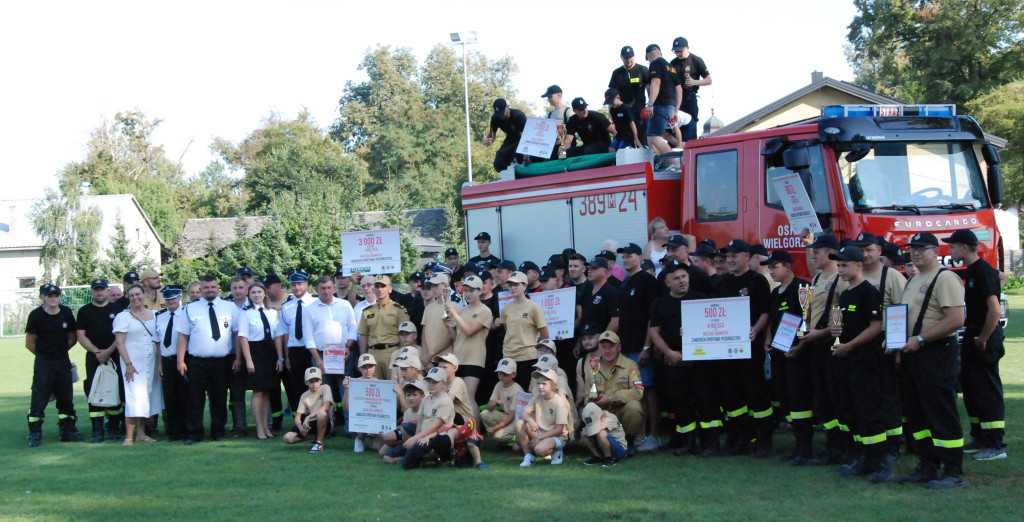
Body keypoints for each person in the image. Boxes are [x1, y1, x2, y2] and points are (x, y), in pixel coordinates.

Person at [895, 232, 967, 490]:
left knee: (940, 412)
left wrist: (921, 339)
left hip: (935, 352)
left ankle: (953, 469)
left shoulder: (945, 277)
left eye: (922, 248)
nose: (916, 252)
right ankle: (928, 465)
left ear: (936, 251)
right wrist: (895, 341)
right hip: (913, 352)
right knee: (917, 413)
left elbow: (956, 320)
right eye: (912, 248)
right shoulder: (914, 279)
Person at [825, 246, 891, 482]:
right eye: (838, 265)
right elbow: (844, 323)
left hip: (865, 361)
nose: (840, 269)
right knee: (851, 410)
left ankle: (880, 463)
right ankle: (861, 458)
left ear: (858, 266)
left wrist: (850, 345)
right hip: (846, 361)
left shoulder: (868, 291)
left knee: (869, 411)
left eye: (844, 265)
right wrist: (837, 331)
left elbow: (876, 326)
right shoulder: (846, 293)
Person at [944, 229, 1007, 461]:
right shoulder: (974, 271)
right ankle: (980, 436)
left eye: (952, 246)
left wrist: (983, 338)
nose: (950, 251)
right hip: (973, 338)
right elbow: (1003, 277)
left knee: (986, 390)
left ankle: (995, 443)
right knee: (972, 389)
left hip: (984, 340)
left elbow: (995, 310)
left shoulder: (982, 271)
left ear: (964, 247)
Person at [716, 239, 772, 457]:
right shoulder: (723, 284)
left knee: (756, 394)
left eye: (734, 256)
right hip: (727, 351)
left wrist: (755, 330)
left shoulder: (758, 281)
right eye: (727, 256)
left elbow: (765, 312)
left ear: (746, 257)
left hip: (751, 349)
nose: (729, 260)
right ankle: (742, 438)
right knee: (733, 395)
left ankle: (764, 440)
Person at [854, 232, 906, 462]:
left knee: (889, 396)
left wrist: (896, 346)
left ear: (879, 251)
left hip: (884, 343)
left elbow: (902, 311)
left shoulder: (892, 276)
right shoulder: (850, 275)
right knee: (865, 397)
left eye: (870, 249)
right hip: (857, 346)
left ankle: (893, 445)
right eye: (861, 249)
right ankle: (869, 444)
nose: (865, 254)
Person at [799, 233, 849, 465]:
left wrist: (825, 331)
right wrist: (807, 327)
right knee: (823, 397)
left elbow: (840, 314)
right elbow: (809, 308)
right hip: (816, 343)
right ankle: (831, 444)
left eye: (816, 252)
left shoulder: (840, 279)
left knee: (836, 395)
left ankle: (842, 446)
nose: (813, 256)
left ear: (830, 252)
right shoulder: (818, 278)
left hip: (831, 344)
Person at [760, 250, 813, 465]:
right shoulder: (775, 293)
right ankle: (796, 446)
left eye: (774, 267)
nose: (770, 271)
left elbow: (807, 318)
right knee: (785, 397)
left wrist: (800, 345)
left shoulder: (802, 288)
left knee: (800, 398)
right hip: (779, 353)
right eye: (769, 267)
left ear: (788, 267)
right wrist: (768, 338)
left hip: (797, 355)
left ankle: (805, 449)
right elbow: (773, 319)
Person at [176, 274, 239, 444]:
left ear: (218, 288)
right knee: (195, 398)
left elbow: (237, 334)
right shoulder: (189, 309)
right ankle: (194, 433)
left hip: (222, 361)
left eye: (213, 287)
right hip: (197, 361)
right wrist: (180, 361)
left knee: (219, 397)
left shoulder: (230, 307)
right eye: (206, 287)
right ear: (201, 289)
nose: (210, 290)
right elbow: (182, 336)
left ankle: (218, 432)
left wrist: (238, 358)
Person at [615, 242, 661, 451]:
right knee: (635, 393)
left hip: (641, 348)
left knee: (648, 390)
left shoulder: (648, 281)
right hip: (626, 348)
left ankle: (654, 436)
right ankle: (640, 435)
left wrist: (647, 347)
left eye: (629, 255)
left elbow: (653, 318)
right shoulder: (625, 283)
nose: (625, 259)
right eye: (623, 256)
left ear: (640, 257)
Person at [25, 284, 83, 447]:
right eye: (49, 295)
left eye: (56, 295)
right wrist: (45, 355)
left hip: (62, 361)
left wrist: (60, 352)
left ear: (60, 297)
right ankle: (35, 432)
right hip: (44, 363)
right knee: (39, 397)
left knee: (66, 397)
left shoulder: (66, 313)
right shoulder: (36, 316)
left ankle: (67, 430)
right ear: (42, 297)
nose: (53, 298)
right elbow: (29, 343)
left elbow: (72, 338)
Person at [304, 276, 358, 431]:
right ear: (316, 290)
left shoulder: (345, 304)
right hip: (320, 355)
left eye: (329, 288)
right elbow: (308, 337)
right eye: (322, 288)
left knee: (346, 389)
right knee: (323, 393)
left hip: (344, 353)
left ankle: (351, 428)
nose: (326, 291)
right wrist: (318, 359)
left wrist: (348, 347)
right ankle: (327, 428)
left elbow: (353, 328)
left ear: (333, 288)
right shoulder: (310, 309)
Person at [76, 278, 125, 442]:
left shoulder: (117, 310)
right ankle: (97, 430)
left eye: (102, 289)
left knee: (115, 391)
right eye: (96, 289)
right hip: (93, 357)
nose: (99, 292)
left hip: (114, 356)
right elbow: (80, 335)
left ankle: (113, 429)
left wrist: (108, 351)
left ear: (107, 291)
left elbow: (120, 335)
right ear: (91, 291)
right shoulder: (84, 311)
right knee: (94, 390)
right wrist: (97, 352)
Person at [113, 284, 163, 446]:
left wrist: (160, 365)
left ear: (144, 295)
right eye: (132, 295)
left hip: (151, 363)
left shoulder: (155, 315)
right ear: (128, 297)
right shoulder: (123, 317)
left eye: (138, 294)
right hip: (132, 363)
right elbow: (120, 343)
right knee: (134, 397)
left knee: (146, 397)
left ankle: (141, 434)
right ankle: (129, 436)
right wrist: (128, 363)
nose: (136, 298)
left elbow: (158, 342)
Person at [578, 331, 644, 448]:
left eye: (611, 346)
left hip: (622, 410)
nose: (608, 351)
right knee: (588, 409)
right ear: (600, 348)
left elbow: (638, 391)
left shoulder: (630, 365)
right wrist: (594, 399)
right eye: (604, 347)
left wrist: (611, 398)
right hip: (602, 413)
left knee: (635, 407)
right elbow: (588, 396)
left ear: (619, 347)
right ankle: (602, 443)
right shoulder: (592, 366)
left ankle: (629, 441)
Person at [237, 282, 284, 440]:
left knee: (267, 391)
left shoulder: (271, 312)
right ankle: (259, 429)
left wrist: (280, 357)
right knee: (258, 391)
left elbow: (277, 336)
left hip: (269, 352)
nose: (256, 295)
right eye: (253, 292)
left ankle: (266, 427)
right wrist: (249, 361)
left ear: (264, 294)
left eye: (259, 292)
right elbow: (243, 338)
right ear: (249, 296)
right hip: (254, 352)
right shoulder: (246, 313)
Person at [446, 275, 493, 414]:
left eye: (471, 290)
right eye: (465, 290)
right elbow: (455, 337)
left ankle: (476, 433)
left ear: (480, 291)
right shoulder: (462, 311)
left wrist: (454, 312)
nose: (468, 294)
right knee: (458, 397)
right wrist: (449, 325)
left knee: (468, 396)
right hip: (459, 358)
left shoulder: (485, 311)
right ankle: (464, 431)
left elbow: (469, 331)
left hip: (474, 359)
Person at [497, 271, 550, 390]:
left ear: (525, 286)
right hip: (509, 356)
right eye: (510, 285)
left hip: (528, 357)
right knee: (510, 393)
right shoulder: (506, 308)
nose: (513, 287)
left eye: (516, 284)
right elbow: (508, 330)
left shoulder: (534, 307)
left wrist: (536, 349)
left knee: (527, 392)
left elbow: (545, 334)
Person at [277, 270, 318, 415]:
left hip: (312, 349)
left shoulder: (316, 302)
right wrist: (287, 356)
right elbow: (286, 333)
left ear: (306, 284)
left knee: (315, 384)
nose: (297, 288)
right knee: (297, 385)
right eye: (293, 285)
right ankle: (299, 418)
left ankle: (316, 418)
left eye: (300, 284)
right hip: (295, 350)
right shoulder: (287, 306)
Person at [401, 367, 457, 469]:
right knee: (406, 464)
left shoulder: (445, 401)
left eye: (435, 382)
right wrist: (417, 439)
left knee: (418, 451)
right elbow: (420, 420)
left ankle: (447, 457)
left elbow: (435, 426)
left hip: (438, 436)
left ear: (444, 384)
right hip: (424, 435)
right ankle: (422, 457)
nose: (431, 384)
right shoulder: (426, 399)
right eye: (429, 381)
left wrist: (414, 439)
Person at [358, 275, 411, 380]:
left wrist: (402, 356)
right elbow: (364, 336)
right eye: (377, 286)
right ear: (373, 289)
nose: (380, 289)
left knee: (394, 387)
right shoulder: (367, 311)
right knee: (375, 389)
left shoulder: (399, 309)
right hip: (372, 354)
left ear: (390, 289)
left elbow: (404, 336)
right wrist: (363, 358)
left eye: (383, 286)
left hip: (392, 352)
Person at [153, 285, 188, 442]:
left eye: (173, 298)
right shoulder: (160, 317)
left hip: (183, 360)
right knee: (170, 397)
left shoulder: (187, 314)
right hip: (167, 361)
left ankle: (187, 431)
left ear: (180, 297)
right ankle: (173, 432)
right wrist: (160, 365)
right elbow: (159, 343)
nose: (171, 302)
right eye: (167, 299)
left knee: (185, 396)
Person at [518, 368, 571, 467]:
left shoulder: (559, 402)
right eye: (538, 383)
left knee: (539, 450)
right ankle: (529, 457)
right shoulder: (537, 396)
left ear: (553, 385)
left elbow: (559, 430)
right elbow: (522, 414)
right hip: (541, 431)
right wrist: (530, 420)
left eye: (544, 384)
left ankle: (556, 451)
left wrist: (539, 437)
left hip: (556, 436)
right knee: (519, 424)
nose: (540, 386)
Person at [642, 44, 681, 166]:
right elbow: (679, 90)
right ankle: (661, 163)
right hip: (671, 106)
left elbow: (656, 83)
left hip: (660, 105)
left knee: (654, 137)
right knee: (650, 138)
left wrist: (650, 103)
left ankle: (675, 164)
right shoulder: (671, 67)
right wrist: (676, 110)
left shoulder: (655, 64)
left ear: (647, 56)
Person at [669, 37, 711, 142]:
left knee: (691, 128)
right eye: (675, 51)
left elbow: (709, 80)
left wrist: (695, 82)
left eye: (680, 51)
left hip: (690, 98)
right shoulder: (673, 63)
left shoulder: (696, 60)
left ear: (687, 48)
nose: (678, 54)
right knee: (675, 127)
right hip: (676, 100)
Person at [283, 367, 332, 452]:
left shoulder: (325, 388)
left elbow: (326, 406)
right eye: (311, 381)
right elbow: (298, 416)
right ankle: (316, 437)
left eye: (316, 380)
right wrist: (300, 427)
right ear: (306, 382)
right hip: (311, 423)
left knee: (321, 414)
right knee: (288, 438)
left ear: (320, 380)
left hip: (324, 420)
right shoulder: (304, 395)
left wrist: (308, 417)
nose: (314, 384)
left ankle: (319, 443)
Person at [608, 45, 650, 146]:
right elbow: (611, 95)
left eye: (630, 57)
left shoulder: (642, 69)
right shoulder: (617, 73)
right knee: (626, 141)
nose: (628, 60)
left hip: (640, 110)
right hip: (623, 112)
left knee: (643, 139)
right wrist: (610, 114)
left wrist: (651, 105)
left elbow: (649, 89)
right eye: (626, 58)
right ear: (621, 57)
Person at [380, 379, 427, 463]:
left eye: (414, 395)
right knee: (383, 452)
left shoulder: (426, 411)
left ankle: (407, 457)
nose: (411, 398)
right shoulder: (408, 413)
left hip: (420, 440)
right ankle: (403, 455)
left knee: (394, 434)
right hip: (406, 439)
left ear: (422, 397)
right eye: (408, 395)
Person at [480, 358, 524, 445]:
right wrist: (495, 402)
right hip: (505, 416)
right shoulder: (499, 384)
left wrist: (495, 428)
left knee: (497, 436)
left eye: (505, 374)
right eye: (500, 373)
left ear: (514, 374)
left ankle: (517, 438)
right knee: (484, 413)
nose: (502, 376)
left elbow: (511, 417)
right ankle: (501, 433)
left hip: (516, 420)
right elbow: (489, 407)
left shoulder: (517, 390)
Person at [342, 354, 380, 453]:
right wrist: (347, 389)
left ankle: (373, 438)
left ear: (375, 367)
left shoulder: (380, 383)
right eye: (364, 367)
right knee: (363, 421)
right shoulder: (354, 383)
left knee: (377, 447)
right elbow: (346, 407)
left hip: (375, 417)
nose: (368, 370)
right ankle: (359, 438)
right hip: (360, 417)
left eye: (370, 366)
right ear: (359, 368)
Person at [484, 98, 527, 172]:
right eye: (499, 114)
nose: (501, 116)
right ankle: (507, 173)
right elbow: (492, 136)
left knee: (517, 150)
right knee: (499, 161)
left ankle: (522, 165)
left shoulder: (518, 116)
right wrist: (488, 141)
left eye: (502, 112)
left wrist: (526, 159)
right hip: (511, 138)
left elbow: (527, 137)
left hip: (523, 138)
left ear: (507, 107)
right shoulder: (495, 118)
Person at [580, 402, 628, 466]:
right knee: (583, 433)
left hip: (619, 449)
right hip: (603, 446)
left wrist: (588, 431)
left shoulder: (610, 418)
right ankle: (598, 457)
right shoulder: (594, 418)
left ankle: (609, 458)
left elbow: (598, 430)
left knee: (601, 433)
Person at [540, 84, 574, 160]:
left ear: (559, 95)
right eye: (548, 98)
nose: (548, 100)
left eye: (550, 97)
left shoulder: (568, 111)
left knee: (562, 159)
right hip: (553, 147)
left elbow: (573, 129)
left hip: (565, 146)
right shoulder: (550, 114)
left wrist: (564, 140)